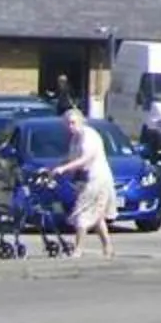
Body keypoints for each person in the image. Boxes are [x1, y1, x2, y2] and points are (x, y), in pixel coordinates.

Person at [60, 107, 116, 259]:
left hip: (97, 178)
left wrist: (64, 168)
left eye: (73, 123)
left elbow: (86, 158)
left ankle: (78, 249)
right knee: (96, 215)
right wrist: (56, 168)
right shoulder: (74, 139)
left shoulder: (89, 136)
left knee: (82, 213)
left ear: (81, 121)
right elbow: (72, 159)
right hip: (85, 180)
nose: (70, 126)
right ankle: (108, 246)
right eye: (67, 124)